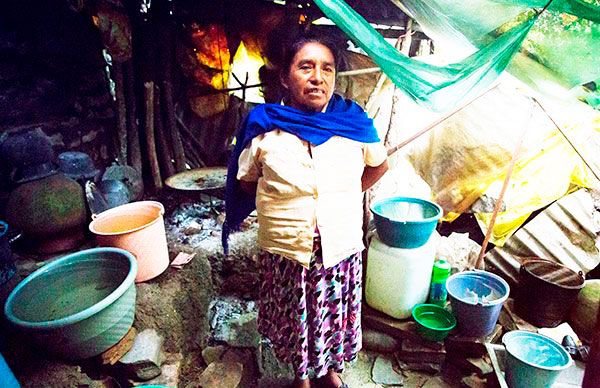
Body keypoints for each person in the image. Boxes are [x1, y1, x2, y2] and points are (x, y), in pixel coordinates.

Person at [223, 34, 388, 388]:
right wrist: (286, 203)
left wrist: (339, 197)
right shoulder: (264, 127)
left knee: (333, 316)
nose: (318, 77)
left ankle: (330, 371)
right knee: (297, 320)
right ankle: (301, 378)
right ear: (285, 77)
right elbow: (247, 181)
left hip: (339, 247)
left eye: (327, 68)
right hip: (287, 251)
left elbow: (378, 167)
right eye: (306, 67)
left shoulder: (355, 124)